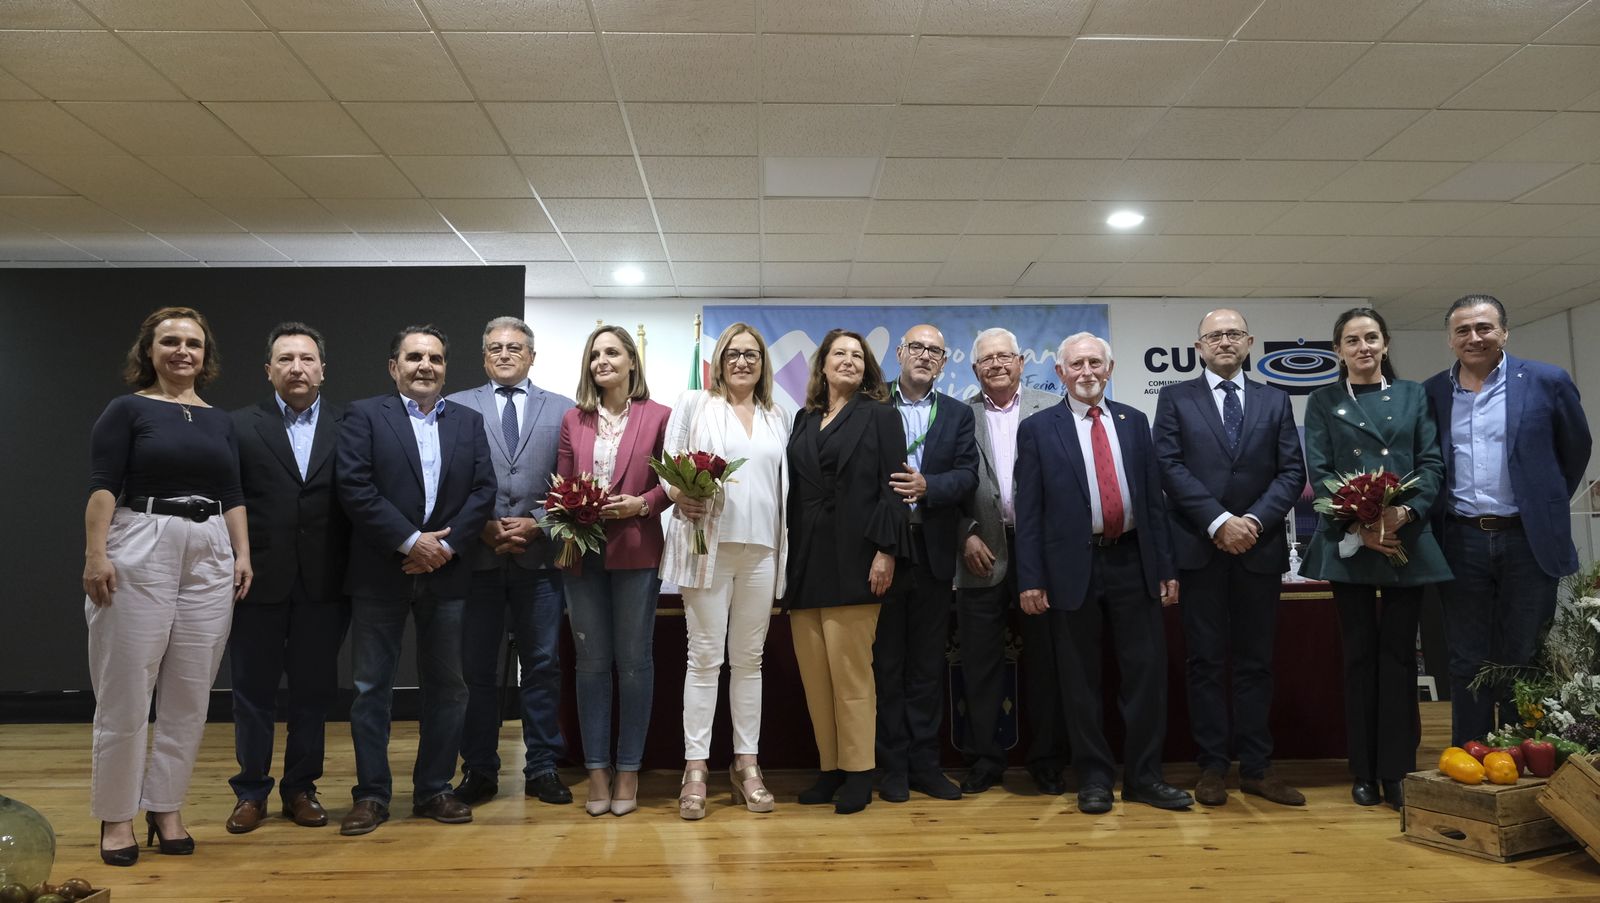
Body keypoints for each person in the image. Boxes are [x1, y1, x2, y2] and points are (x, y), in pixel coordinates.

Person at [83, 306, 253, 866]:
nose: (183, 351)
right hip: (141, 543)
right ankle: (115, 816)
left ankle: (166, 806)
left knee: (190, 693)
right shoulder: (127, 409)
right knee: (126, 689)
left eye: (194, 344)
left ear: (206, 357)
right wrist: (96, 554)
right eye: (171, 342)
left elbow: (231, 491)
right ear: (148, 351)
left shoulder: (219, 419)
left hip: (210, 551)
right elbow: (104, 486)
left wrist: (242, 554)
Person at [1015, 332, 1191, 816]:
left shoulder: (1135, 422)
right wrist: (1030, 578)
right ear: (1060, 373)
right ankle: (1092, 777)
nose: (1087, 371)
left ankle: (1144, 778)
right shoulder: (1038, 429)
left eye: (1095, 362)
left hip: (1134, 562)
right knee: (1079, 680)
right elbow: (1029, 512)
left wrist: (1166, 565)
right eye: (1077, 365)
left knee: (1145, 676)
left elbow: (1154, 502)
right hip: (1071, 567)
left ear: (1109, 369)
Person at [335, 325, 496, 835]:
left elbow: (483, 490)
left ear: (446, 367)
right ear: (393, 366)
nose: (425, 365)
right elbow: (354, 487)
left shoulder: (468, 422)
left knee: (449, 688)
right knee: (371, 689)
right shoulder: (364, 416)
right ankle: (372, 795)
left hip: (447, 574)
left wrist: (442, 548)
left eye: (436, 358)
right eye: (414, 357)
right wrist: (411, 542)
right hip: (381, 572)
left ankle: (433, 789)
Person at [1152, 309, 1307, 808]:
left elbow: (1290, 472)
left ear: (1249, 342)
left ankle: (1258, 768)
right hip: (1201, 548)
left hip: (1258, 550)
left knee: (1256, 663)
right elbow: (1169, 466)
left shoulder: (1275, 398)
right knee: (1204, 663)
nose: (1224, 341)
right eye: (1214, 335)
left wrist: (1253, 523)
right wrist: (1220, 522)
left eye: (1233, 334)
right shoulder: (1176, 398)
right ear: (1198, 346)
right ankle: (1213, 766)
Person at [1423, 295, 1592, 747]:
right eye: (1463, 330)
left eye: (1484, 327)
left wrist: (1543, 500)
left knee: (1524, 655)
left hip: (1527, 539)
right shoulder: (1433, 391)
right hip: (1460, 539)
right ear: (1450, 339)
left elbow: (1574, 451)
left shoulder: (1546, 381)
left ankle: (1522, 760)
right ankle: (1471, 759)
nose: (1474, 338)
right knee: (1466, 659)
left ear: (1504, 332)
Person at [1300, 307, 1451, 809]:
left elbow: (1430, 463)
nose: (1362, 347)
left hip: (1407, 540)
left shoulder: (1413, 396)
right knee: (1359, 657)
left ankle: (1398, 770)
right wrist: (1361, 526)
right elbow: (1320, 472)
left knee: (1399, 658)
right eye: (1351, 340)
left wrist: (1403, 513)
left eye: (1371, 338)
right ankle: (1362, 770)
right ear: (1337, 351)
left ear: (1385, 344)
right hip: (1351, 546)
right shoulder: (1322, 401)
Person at [659, 323, 791, 820]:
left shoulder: (779, 414)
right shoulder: (694, 404)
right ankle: (696, 768)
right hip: (706, 547)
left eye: (751, 354)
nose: (742, 362)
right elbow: (668, 466)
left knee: (750, 660)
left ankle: (746, 764)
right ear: (718, 360)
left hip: (762, 550)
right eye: (733, 354)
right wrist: (678, 494)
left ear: (763, 363)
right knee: (705, 659)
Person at [445, 317, 576, 809]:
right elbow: (446, 480)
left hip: (539, 563)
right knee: (476, 671)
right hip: (476, 560)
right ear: (483, 357)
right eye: (495, 348)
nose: (505, 354)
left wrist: (538, 522)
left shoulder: (562, 409)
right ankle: (479, 769)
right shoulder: (456, 406)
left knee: (542, 666)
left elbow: (571, 480)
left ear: (532, 356)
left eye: (515, 347)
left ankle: (542, 766)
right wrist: (480, 525)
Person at [225, 323, 350, 835]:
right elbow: (226, 499)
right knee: (251, 691)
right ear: (268, 370)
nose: (297, 368)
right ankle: (251, 790)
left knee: (313, 693)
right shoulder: (237, 426)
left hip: (326, 581)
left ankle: (301, 787)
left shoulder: (351, 424)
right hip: (256, 580)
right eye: (285, 359)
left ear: (323, 368)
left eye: (306, 359)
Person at [783, 328, 911, 815]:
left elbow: (895, 489)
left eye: (858, 356)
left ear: (868, 368)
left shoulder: (881, 416)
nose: (849, 361)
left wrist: (887, 551)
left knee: (852, 677)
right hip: (807, 562)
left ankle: (859, 773)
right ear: (822, 364)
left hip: (858, 559)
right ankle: (831, 769)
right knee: (817, 679)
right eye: (840, 353)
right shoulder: (803, 418)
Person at [556, 325, 671, 817]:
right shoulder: (572, 419)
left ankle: (629, 769)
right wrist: (570, 508)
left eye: (612, 352)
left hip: (636, 551)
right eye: (595, 354)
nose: (602, 360)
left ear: (631, 362)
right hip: (580, 556)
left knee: (634, 664)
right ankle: (597, 770)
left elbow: (675, 482)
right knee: (591, 665)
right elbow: (560, 484)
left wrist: (642, 505)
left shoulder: (660, 416)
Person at [954, 327, 1070, 796]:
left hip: (1040, 555)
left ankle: (1047, 760)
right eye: (987, 359)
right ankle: (985, 759)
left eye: (1005, 356)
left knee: (1047, 662)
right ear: (974, 368)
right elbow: (946, 481)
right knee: (979, 663)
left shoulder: (1053, 409)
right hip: (979, 552)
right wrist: (964, 533)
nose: (997, 364)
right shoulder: (959, 416)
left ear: (1022, 361)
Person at [874, 323, 977, 802]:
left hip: (934, 554)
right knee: (887, 665)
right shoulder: (873, 406)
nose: (924, 355)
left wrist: (929, 486)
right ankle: (890, 768)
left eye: (935, 350)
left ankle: (925, 766)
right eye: (916, 347)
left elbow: (967, 477)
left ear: (944, 361)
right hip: (884, 553)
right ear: (899, 353)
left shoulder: (956, 414)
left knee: (926, 669)